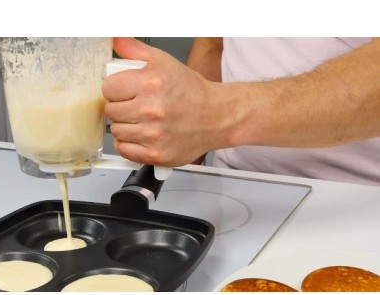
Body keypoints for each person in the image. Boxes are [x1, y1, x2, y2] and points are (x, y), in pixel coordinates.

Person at [102, 37, 380, 185]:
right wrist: (179, 167)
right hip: (235, 187)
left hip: (361, 202)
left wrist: (218, 114)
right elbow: (213, 45)